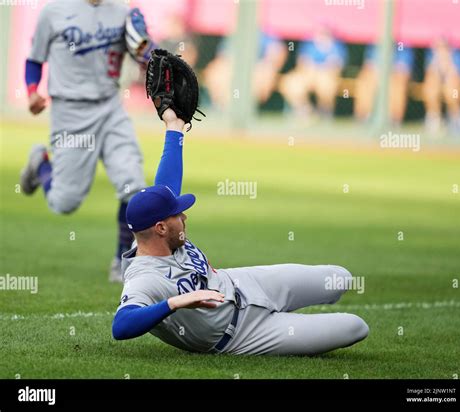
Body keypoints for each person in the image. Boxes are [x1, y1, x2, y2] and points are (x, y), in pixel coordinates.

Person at [111, 107, 369, 355]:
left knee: (340, 277)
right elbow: (121, 326)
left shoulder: (162, 232)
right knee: (355, 326)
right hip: (244, 334)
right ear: (160, 228)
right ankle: (285, 323)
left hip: (245, 282)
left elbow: (167, 183)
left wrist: (174, 126)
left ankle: (288, 317)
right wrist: (175, 303)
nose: (184, 215)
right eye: (178, 213)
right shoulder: (145, 279)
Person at [20, 0, 155, 282]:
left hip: (110, 108)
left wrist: (147, 50)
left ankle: (123, 261)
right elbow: (34, 59)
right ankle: (41, 165)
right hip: (70, 113)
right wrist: (32, 91)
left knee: (133, 183)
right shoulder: (54, 11)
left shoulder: (121, 13)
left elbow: (143, 55)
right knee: (64, 202)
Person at [279, 25, 347, 118]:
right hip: (308, 76)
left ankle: (324, 113)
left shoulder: (337, 47)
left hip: (325, 77)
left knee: (327, 84)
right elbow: (302, 65)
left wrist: (318, 71)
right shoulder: (309, 44)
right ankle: (304, 111)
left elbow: (335, 68)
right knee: (291, 82)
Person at [354, 44, 414, 126]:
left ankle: (394, 118)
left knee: (396, 83)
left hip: (395, 72)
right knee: (366, 80)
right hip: (377, 71)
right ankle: (364, 115)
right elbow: (369, 63)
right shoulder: (376, 44)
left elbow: (403, 67)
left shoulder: (402, 46)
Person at [423, 38, 460, 135]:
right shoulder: (431, 51)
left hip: (453, 76)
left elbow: (456, 76)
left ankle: (456, 117)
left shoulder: (457, 52)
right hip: (436, 67)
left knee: (453, 90)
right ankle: (434, 119)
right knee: (431, 86)